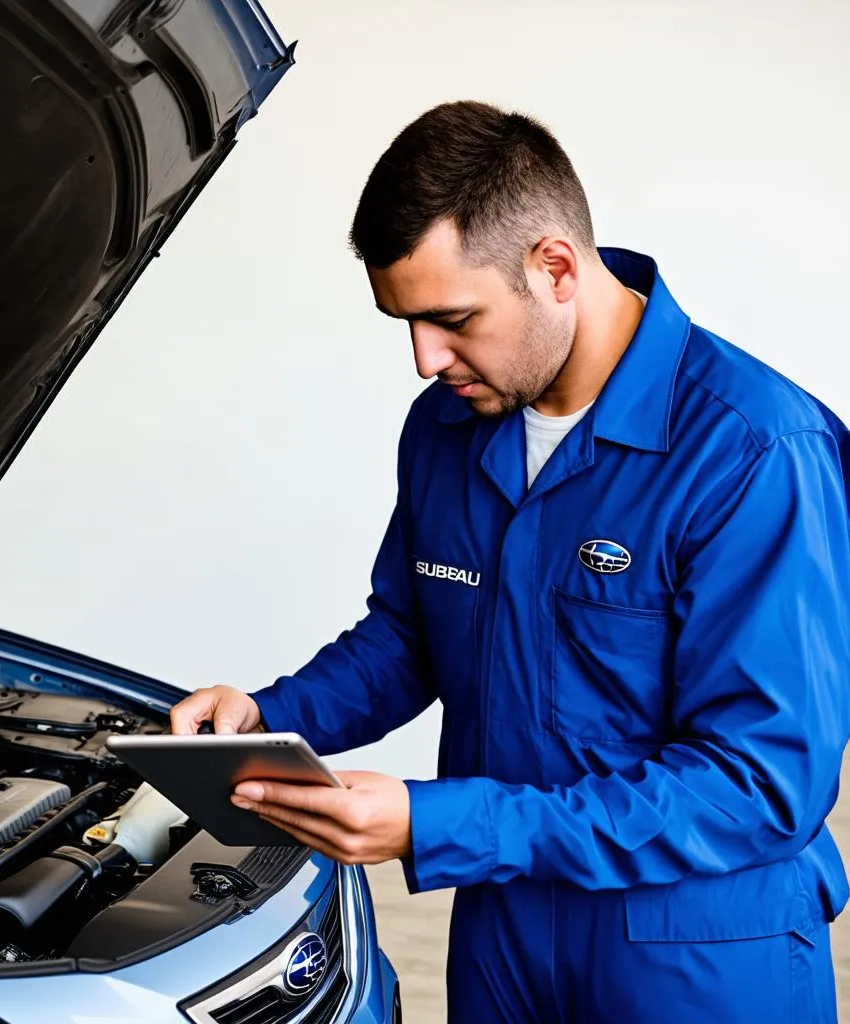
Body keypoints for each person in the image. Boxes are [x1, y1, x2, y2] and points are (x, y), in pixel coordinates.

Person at [170, 100, 850, 1022]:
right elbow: (414, 634)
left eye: (451, 319)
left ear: (556, 267)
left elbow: (758, 786)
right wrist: (269, 717)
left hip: (693, 942)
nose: (423, 359)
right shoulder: (449, 424)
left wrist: (437, 822)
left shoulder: (756, 451)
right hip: (504, 925)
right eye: (404, 322)